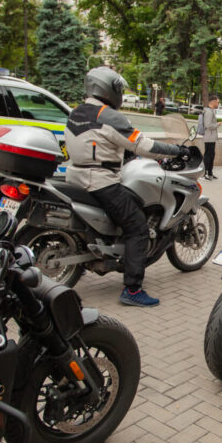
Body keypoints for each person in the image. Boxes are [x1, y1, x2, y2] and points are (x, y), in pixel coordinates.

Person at [63, 67, 187, 307]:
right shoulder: (109, 116)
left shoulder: (77, 111)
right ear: (109, 90)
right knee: (138, 227)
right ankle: (132, 289)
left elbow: (96, 141)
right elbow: (143, 145)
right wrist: (176, 150)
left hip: (75, 177)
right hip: (100, 181)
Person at [200, 93, 219, 180]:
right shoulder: (208, 112)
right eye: (218, 102)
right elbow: (208, 125)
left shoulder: (211, 111)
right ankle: (204, 174)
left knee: (211, 155)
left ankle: (210, 173)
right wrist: (217, 124)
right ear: (213, 102)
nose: (218, 104)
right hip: (208, 137)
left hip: (211, 137)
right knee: (208, 155)